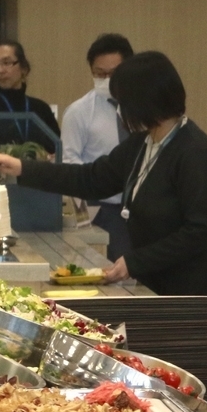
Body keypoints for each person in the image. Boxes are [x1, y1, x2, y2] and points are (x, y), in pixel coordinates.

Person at [0, 51, 207, 296]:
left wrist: (135, 261)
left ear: (144, 101)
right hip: (158, 286)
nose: (119, 110)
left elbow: (201, 230)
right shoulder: (141, 144)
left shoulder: (195, 152)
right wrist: (22, 168)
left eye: (122, 102)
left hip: (198, 294)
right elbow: (91, 179)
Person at [63, 33, 135, 261]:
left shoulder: (143, 108)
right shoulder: (79, 112)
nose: (106, 79)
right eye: (99, 74)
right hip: (105, 208)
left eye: (113, 73)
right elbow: (69, 162)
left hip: (143, 207)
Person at [0, 40, 60, 156]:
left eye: (7, 63)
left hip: (37, 167)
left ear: (23, 68)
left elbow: (56, 150)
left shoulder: (41, 109)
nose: (0, 70)